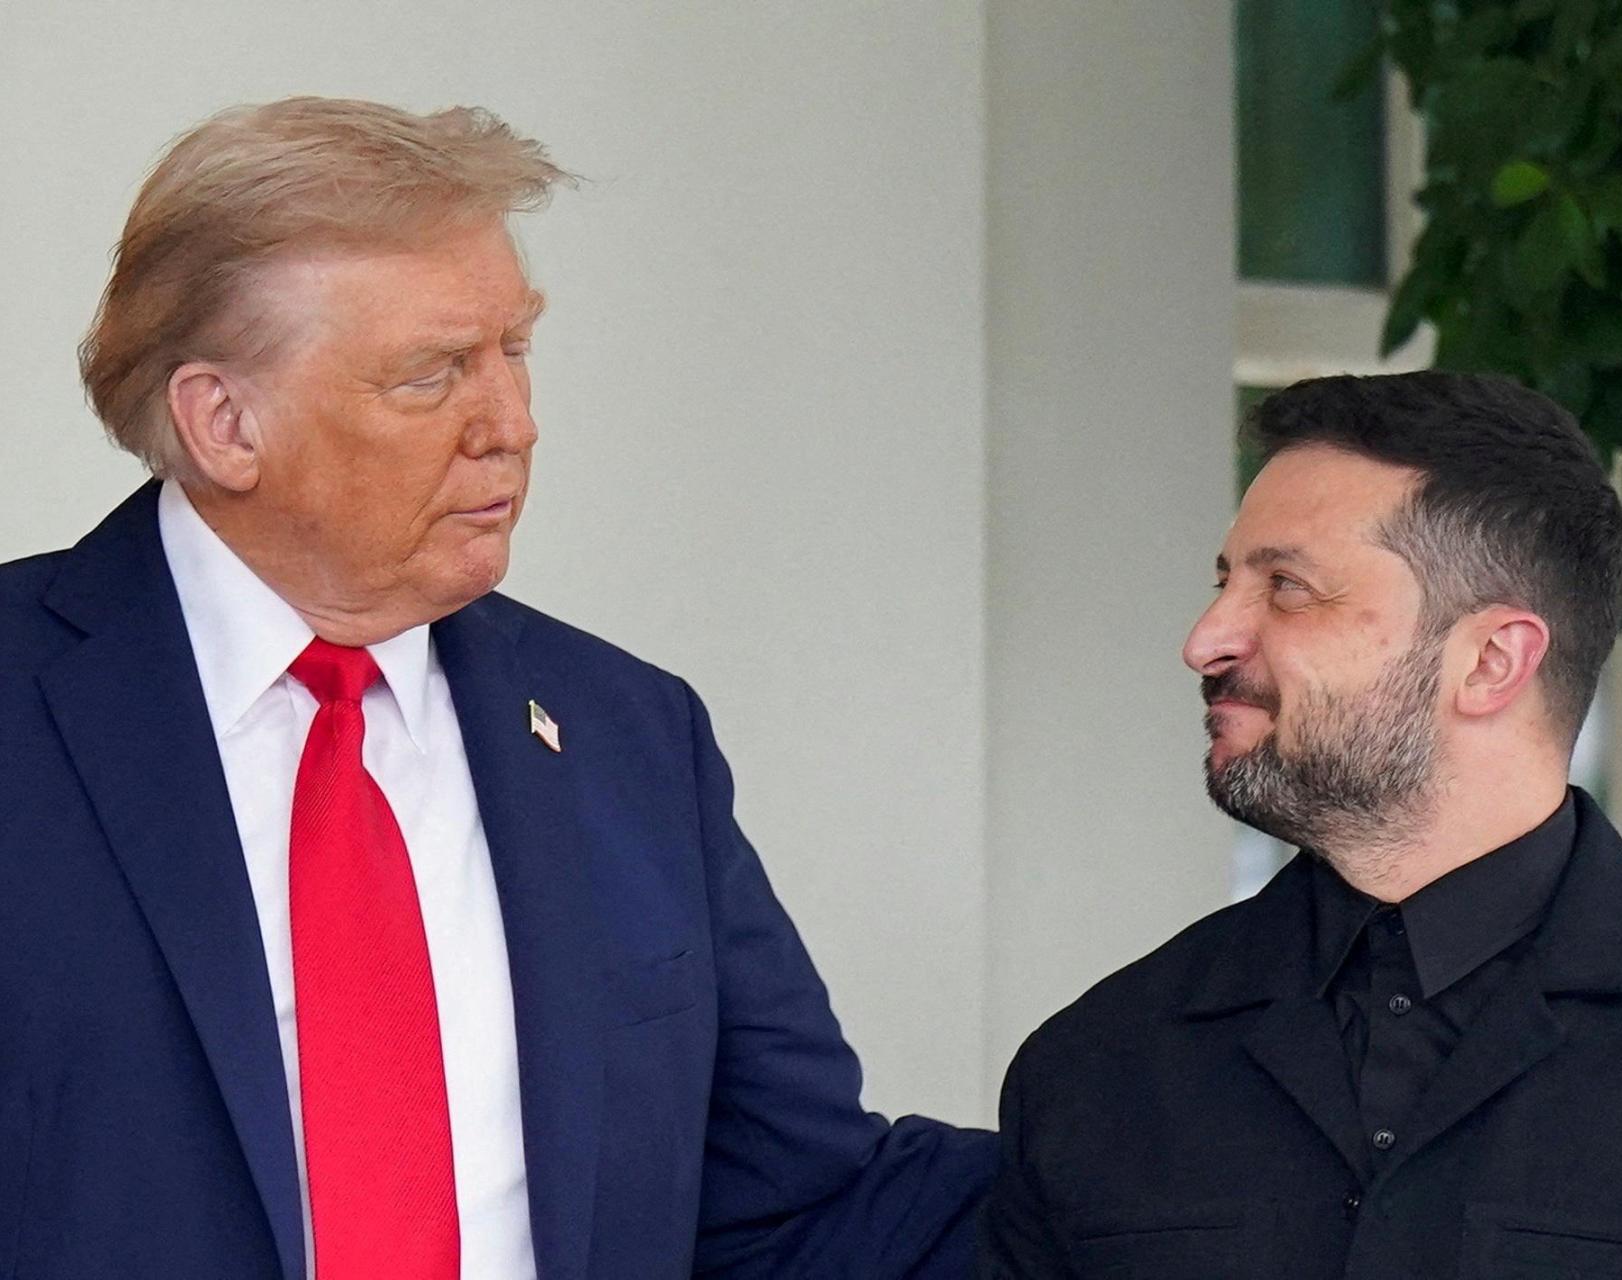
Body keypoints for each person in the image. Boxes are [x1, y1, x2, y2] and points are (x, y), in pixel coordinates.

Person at [0, 97, 993, 1280]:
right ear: (224, 423)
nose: (512, 425)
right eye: (432, 376)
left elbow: (794, 1207)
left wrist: (1163, 1103)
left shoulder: (629, 732)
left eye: (512, 351)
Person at [979, 371, 1622, 1277]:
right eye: (1225, 582)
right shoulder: (1095, 1067)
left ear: (1490, 662)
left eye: (1287, 587)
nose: (1205, 640)